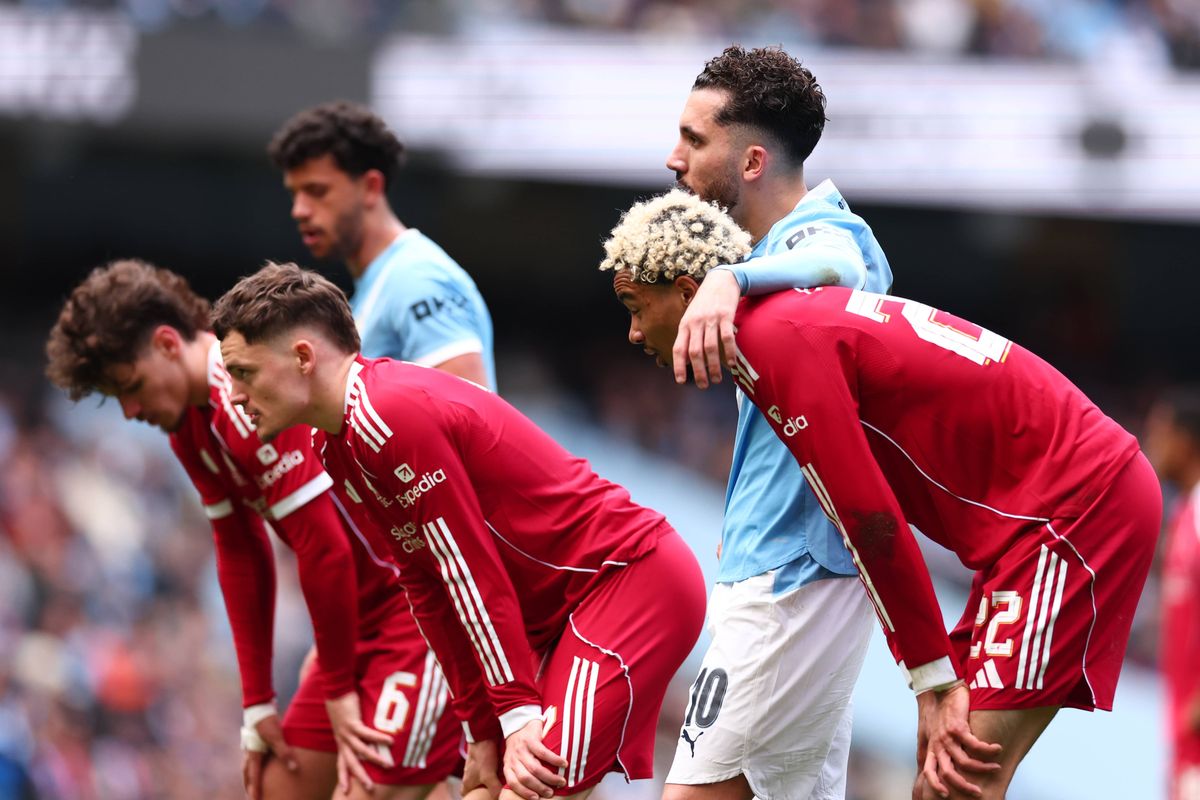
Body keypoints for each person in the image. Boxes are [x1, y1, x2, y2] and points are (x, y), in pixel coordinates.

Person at [600, 190, 1161, 800]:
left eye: (634, 306)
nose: (631, 332)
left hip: (1078, 508)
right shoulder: (789, 317)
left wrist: (931, 680)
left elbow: (869, 522)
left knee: (961, 781)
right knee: (936, 785)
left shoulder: (774, 340)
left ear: (688, 292)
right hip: (1029, 522)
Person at [209, 262, 707, 800]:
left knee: (528, 790)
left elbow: (467, 570)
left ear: (302, 357)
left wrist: (514, 715)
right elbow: (425, 585)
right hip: (561, 618)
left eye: (244, 372)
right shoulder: (332, 446)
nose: (234, 395)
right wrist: (480, 729)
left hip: (627, 583)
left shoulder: (387, 414)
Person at [45, 260, 464, 800]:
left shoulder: (245, 398)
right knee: (275, 790)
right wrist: (257, 703)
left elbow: (326, 548)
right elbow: (240, 549)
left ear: (169, 344)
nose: (129, 411)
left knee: (374, 791)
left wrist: (337, 688)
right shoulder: (189, 428)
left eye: (131, 386)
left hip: (414, 613)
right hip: (356, 625)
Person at [653, 45, 893, 800]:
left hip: (789, 580)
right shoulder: (773, 249)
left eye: (695, 140)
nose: (673, 158)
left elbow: (843, 271)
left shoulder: (822, 235)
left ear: (752, 160)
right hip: (784, 570)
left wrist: (730, 276)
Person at [269, 101, 496, 390]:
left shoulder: (417, 280)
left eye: (317, 191)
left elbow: (467, 421)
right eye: (295, 194)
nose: (299, 210)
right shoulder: (376, 286)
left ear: (371, 187)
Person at [1145, 390, 1200, 800]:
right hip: (1182, 742)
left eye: (1160, 433)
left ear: (1186, 441)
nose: (1151, 445)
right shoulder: (1183, 514)